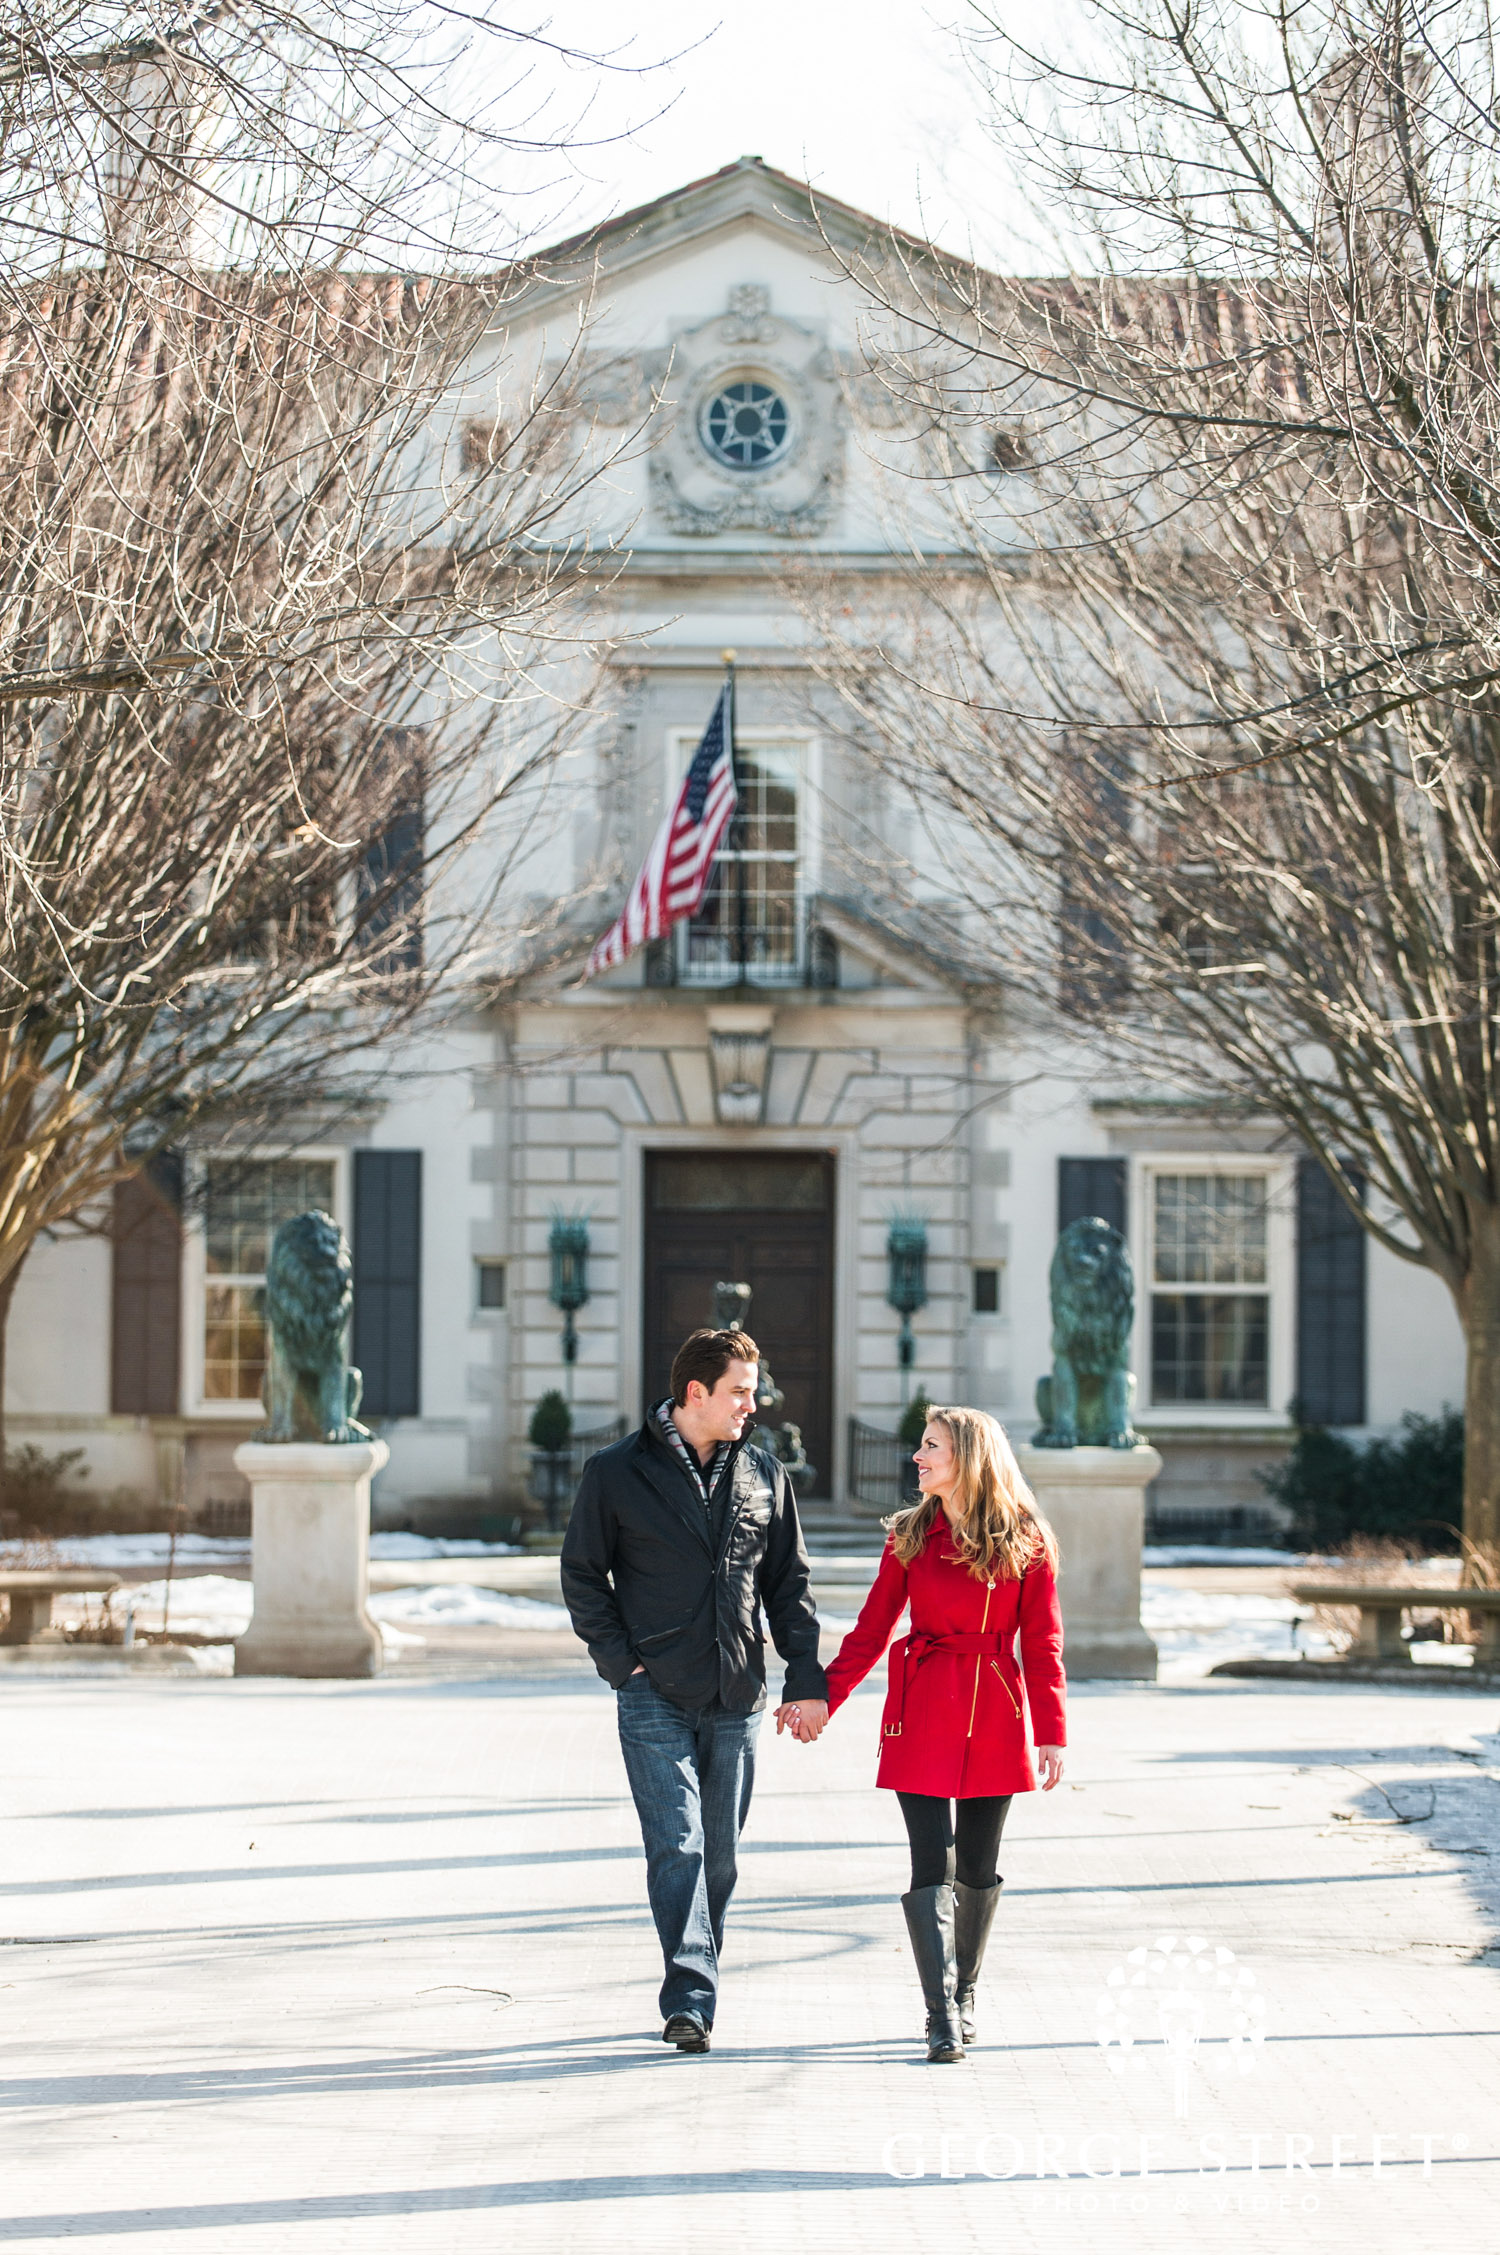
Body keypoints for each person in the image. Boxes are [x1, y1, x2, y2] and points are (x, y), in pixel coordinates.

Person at [561, 1327, 828, 2054]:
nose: (754, 1402)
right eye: (741, 1390)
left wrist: (807, 1680)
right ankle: (690, 1997)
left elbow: (789, 1589)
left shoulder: (766, 1475)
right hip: (652, 1690)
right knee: (675, 1845)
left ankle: (695, 1970)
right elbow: (582, 1574)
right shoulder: (615, 1472)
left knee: (718, 1857)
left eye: (753, 1389)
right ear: (695, 1393)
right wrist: (622, 1664)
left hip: (737, 1692)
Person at [785, 1406, 1065, 2063]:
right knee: (928, 1860)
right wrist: (823, 1698)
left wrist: (1051, 1732)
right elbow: (871, 1628)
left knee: (976, 1864)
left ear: (967, 1455)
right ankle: (939, 2012)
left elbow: (1044, 1642)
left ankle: (964, 1993)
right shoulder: (909, 1535)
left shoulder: (1026, 1537)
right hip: (923, 1711)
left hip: (996, 1712)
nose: (917, 1455)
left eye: (931, 1445)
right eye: (921, 1444)